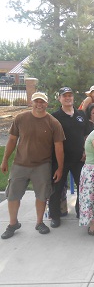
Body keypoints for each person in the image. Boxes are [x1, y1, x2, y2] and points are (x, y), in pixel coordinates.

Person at [1, 92, 65, 239]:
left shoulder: (53, 123)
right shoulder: (21, 118)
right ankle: (12, 224)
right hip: (20, 164)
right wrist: (5, 160)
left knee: (42, 196)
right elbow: (11, 140)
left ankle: (39, 222)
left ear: (46, 104)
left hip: (42, 165)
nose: (39, 104)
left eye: (42, 102)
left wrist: (60, 168)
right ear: (31, 102)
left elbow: (59, 147)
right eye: (36, 101)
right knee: (12, 195)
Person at [49, 87, 91, 228]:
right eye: (64, 96)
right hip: (60, 160)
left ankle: (81, 212)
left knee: (83, 187)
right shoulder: (54, 116)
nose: (68, 98)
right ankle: (55, 216)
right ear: (59, 98)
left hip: (79, 159)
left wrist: (86, 150)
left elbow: (86, 135)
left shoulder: (81, 115)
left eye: (70, 96)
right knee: (57, 188)